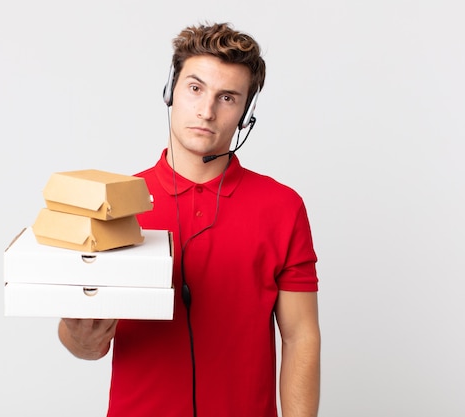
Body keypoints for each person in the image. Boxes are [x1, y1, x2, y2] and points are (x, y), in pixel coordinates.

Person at [58, 22, 321, 417]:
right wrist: (81, 338)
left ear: (245, 112)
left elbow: (300, 337)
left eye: (227, 97)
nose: (207, 111)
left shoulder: (282, 207)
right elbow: (84, 339)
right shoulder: (115, 203)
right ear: (171, 91)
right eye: (195, 89)